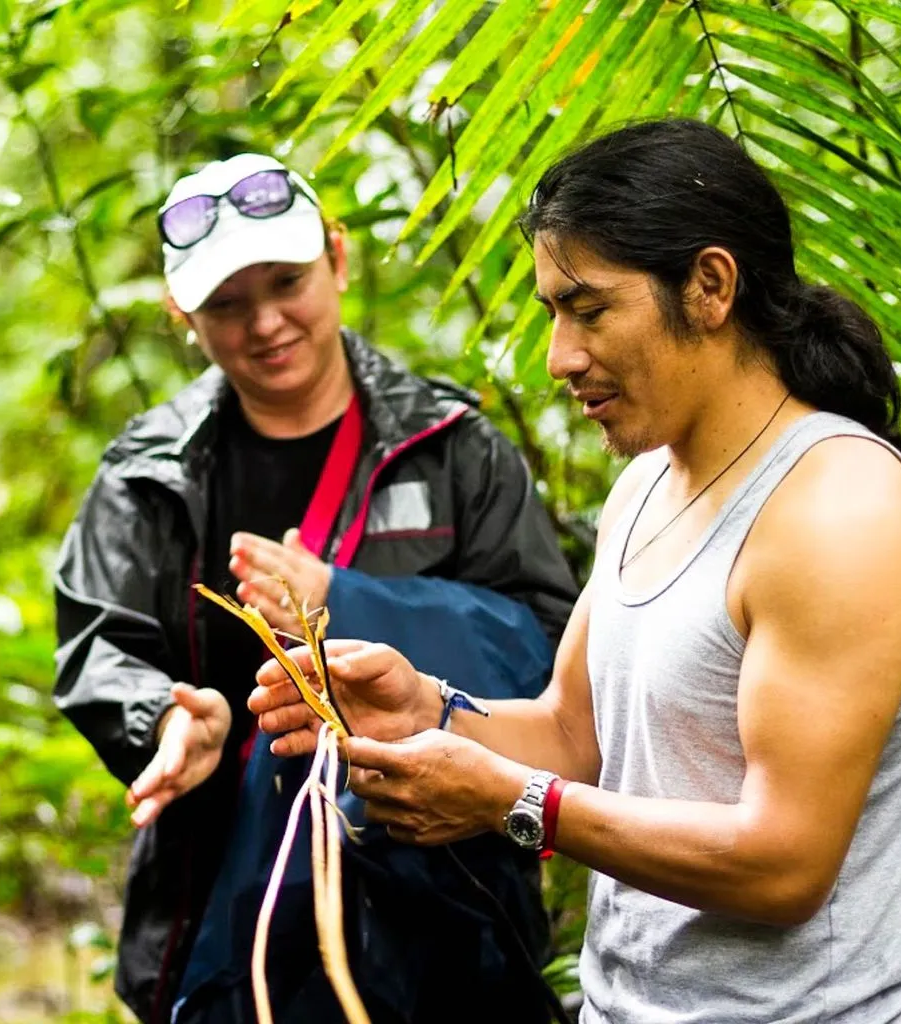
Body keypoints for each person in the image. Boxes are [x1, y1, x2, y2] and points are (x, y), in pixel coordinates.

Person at [251, 119, 901, 1024]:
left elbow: (785, 864)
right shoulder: (647, 484)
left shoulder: (836, 512)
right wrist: (429, 708)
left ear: (709, 286)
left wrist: (518, 805)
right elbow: (575, 734)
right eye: (552, 313)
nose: (560, 357)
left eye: (589, 310)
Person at [54, 152, 580, 1023]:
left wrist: (350, 601)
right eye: (226, 303)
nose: (265, 323)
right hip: (227, 914)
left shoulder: (452, 446)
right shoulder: (148, 473)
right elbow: (98, 644)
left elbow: (547, 650)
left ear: (338, 260)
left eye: (287, 282)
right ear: (181, 313)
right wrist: (172, 717)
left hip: (446, 922)